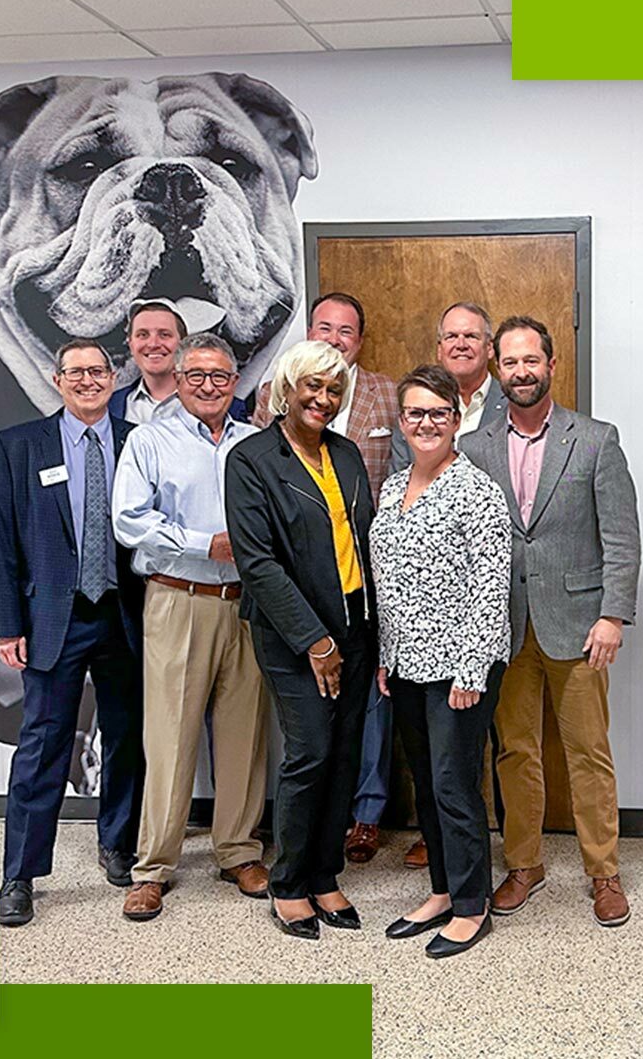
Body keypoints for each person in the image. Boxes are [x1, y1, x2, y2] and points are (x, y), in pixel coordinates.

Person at [460, 316, 642, 928]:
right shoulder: (474, 448)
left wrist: (612, 615)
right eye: (510, 363)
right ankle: (524, 865)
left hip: (579, 625)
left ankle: (603, 872)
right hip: (503, 628)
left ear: (551, 365)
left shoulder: (595, 440)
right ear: (497, 370)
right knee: (515, 753)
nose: (521, 372)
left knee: (588, 753)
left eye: (530, 360)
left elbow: (621, 538)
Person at [111, 333, 271, 922]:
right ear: (177, 381)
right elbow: (129, 520)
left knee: (244, 735)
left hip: (247, 605)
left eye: (220, 376)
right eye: (196, 375)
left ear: (236, 383)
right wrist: (205, 544)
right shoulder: (149, 440)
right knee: (170, 738)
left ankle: (239, 851)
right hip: (179, 599)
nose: (209, 386)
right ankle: (153, 868)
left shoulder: (254, 443)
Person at [0, 339, 144, 927]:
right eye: (75, 372)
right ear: (57, 380)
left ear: (113, 378)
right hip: (54, 618)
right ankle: (20, 875)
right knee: (43, 744)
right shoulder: (19, 445)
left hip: (125, 615)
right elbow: (1, 541)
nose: (87, 381)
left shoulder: (138, 441)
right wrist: (7, 625)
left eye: (97, 371)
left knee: (127, 737)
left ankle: (118, 843)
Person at [224, 340, 376, 940]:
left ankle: (324, 874)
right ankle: (288, 883)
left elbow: (362, 541)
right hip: (295, 635)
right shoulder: (251, 460)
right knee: (310, 751)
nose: (324, 398)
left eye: (334, 389)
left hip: (357, 625)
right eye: (313, 386)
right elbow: (258, 564)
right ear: (287, 390)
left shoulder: (346, 454)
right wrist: (315, 641)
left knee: (344, 753)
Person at [372, 365, 511, 959]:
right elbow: (386, 580)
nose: (426, 423)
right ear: (401, 422)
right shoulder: (391, 488)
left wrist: (472, 670)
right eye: (415, 413)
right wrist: (386, 655)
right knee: (426, 783)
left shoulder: (477, 491)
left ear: (456, 420)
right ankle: (441, 890)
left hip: (459, 667)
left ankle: (472, 905)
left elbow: (491, 587)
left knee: (454, 785)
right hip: (406, 662)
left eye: (438, 413)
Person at [292, 292, 399, 865]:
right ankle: (313, 811)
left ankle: (366, 812)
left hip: (371, 575)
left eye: (346, 332)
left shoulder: (388, 393)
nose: (334, 339)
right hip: (305, 577)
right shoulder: (278, 393)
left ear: (360, 341)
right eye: (324, 328)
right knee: (307, 698)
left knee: (371, 698)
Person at [388, 301, 508, 472]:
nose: (461, 345)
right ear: (439, 349)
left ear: (489, 348)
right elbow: (401, 478)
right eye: (451, 336)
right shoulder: (413, 408)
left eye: (471, 336)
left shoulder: (512, 406)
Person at [109, 300, 186, 424]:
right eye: (143, 335)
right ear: (131, 345)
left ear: (183, 343)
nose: (153, 344)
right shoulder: (110, 406)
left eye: (164, 334)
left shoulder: (211, 401)